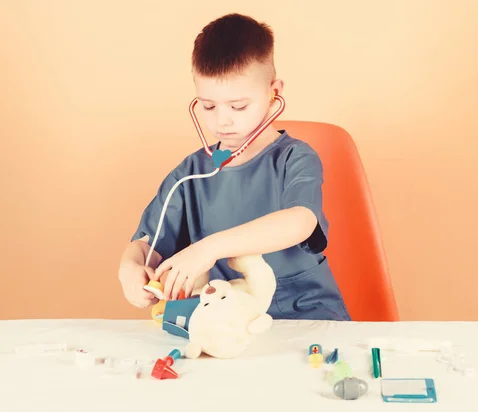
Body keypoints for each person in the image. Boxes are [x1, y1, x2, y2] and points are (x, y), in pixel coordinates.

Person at [117, 13, 350, 321]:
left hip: (305, 315)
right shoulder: (190, 174)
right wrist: (129, 270)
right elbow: (147, 243)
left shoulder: (296, 158)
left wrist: (208, 248)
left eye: (238, 106)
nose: (222, 120)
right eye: (209, 106)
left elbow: (301, 221)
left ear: (273, 93)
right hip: (227, 325)